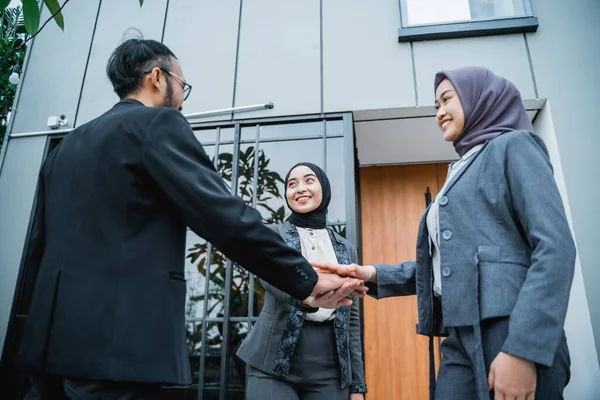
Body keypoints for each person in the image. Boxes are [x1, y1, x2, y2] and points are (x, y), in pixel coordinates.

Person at [17, 38, 365, 399]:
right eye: (182, 84)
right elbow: (226, 219)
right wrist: (306, 279)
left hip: (48, 352)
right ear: (156, 77)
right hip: (119, 350)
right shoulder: (157, 124)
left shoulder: (65, 148)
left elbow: (36, 252)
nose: (182, 98)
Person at [315, 66, 575, 400]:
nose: (439, 112)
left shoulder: (514, 146)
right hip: (458, 336)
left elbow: (555, 249)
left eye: (446, 100)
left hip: (511, 328)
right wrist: (370, 274)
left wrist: (524, 349)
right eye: (435, 106)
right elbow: (444, 267)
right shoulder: (461, 169)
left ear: (480, 99)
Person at [237, 162, 367, 400]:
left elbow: (352, 320)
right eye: (292, 184)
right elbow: (272, 280)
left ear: (324, 189)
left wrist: (357, 386)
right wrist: (309, 299)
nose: (300, 189)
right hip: (272, 359)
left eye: (309, 180)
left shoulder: (347, 249)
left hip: (331, 366)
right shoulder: (274, 235)